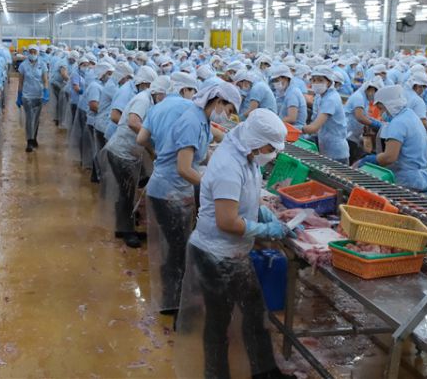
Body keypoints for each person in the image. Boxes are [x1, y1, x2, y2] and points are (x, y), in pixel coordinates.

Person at [177, 108, 293, 379]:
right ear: (256, 140)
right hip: (215, 254)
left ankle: (265, 372)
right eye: (269, 147)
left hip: (233, 253)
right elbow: (226, 221)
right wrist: (265, 229)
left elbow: (244, 198)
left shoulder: (247, 155)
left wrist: (259, 211)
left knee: (254, 314)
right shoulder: (229, 164)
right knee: (218, 322)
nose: (271, 153)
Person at [137, 81, 241, 315]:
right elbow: (184, 168)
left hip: (174, 190)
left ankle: (174, 299)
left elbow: (195, 157)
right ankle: (173, 304)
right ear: (218, 101)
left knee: (176, 248)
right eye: (229, 110)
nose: (227, 115)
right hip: (168, 192)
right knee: (176, 250)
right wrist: (213, 187)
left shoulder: (200, 119)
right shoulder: (192, 121)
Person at [100, 75, 170, 248]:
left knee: (126, 193)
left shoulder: (151, 102)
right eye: (165, 96)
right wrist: (154, 135)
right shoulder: (143, 99)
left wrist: (153, 150)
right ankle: (128, 232)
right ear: (158, 92)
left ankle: (122, 227)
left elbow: (143, 137)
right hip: (121, 152)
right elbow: (133, 122)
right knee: (127, 194)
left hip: (127, 152)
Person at [360, 85, 427, 191]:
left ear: (389, 105)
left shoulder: (398, 123)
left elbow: (390, 157)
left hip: (408, 181)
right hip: (421, 178)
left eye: (381, 108)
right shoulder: (410, 115)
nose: (381, 113)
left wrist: (369, 161)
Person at [302, 66, 349, 163]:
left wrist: (298, 129)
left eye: (320, 80)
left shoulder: (331, 99)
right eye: (314, 80)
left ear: (329, 82)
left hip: (336, 153)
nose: (316, 83)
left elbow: (314, 128)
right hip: (326, 148)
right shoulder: (322, 96)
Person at [17, 45, 49, 152]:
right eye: (31, 52)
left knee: (36, 119)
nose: (33, 54)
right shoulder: (23, 65)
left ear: (38, 53)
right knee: (30, 118)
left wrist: (46, 92)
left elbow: (45, 80)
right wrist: (19, 95)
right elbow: (21, 82)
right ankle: (29, 141)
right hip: (27, 95)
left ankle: (34, 137)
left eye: (35, 52)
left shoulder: (42, 64)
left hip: (38, 95)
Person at [344, 78, 384, 163]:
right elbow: (360, 117)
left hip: (352, 134)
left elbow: (365, 115)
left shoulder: (364, 99)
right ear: (371, 89)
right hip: (348, 134)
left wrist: (374, 121)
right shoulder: (359, 97)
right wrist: (375, 125)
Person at [270, 64, 306, 130]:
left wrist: (273, 122)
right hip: (286, 128)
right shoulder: (284, 92)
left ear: (286, 78)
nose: (275, 83)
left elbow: (292, 118)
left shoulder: (292, 93)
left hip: (294, 131)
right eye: (274, 81)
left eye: (277, 80)